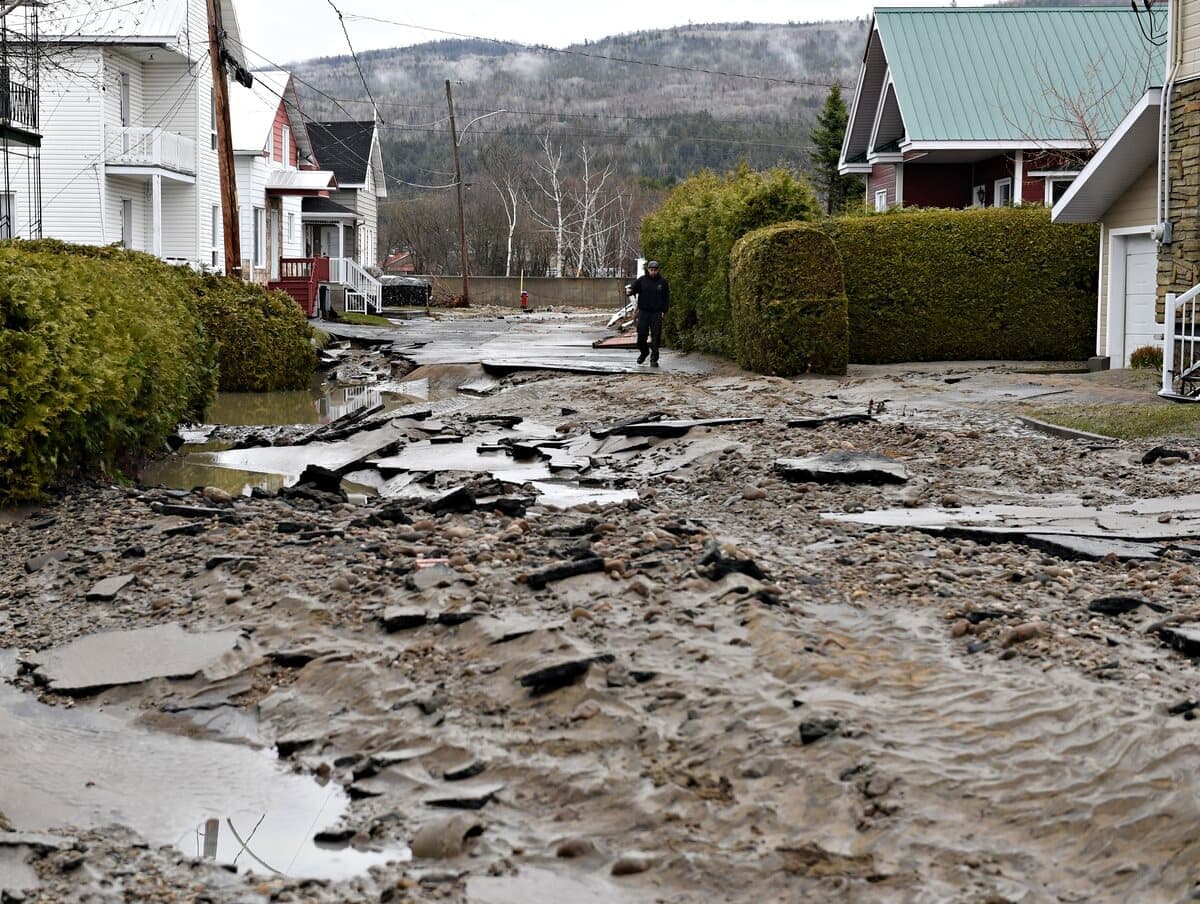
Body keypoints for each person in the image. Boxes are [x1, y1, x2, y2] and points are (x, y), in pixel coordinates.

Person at [627, 260, 670, 366]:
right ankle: (644, 352)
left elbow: (666, 298)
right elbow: (633, 288)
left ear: (658, 270)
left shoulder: (663, 282)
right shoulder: (642, 280)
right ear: (648, 270)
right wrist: (629, 291)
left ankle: (654, 359)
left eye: (655, 270)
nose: (653, 272)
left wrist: (664, 310)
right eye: (651, 270)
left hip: (656, 313)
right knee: (641, 335)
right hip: (644, 312)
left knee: (656, 336)